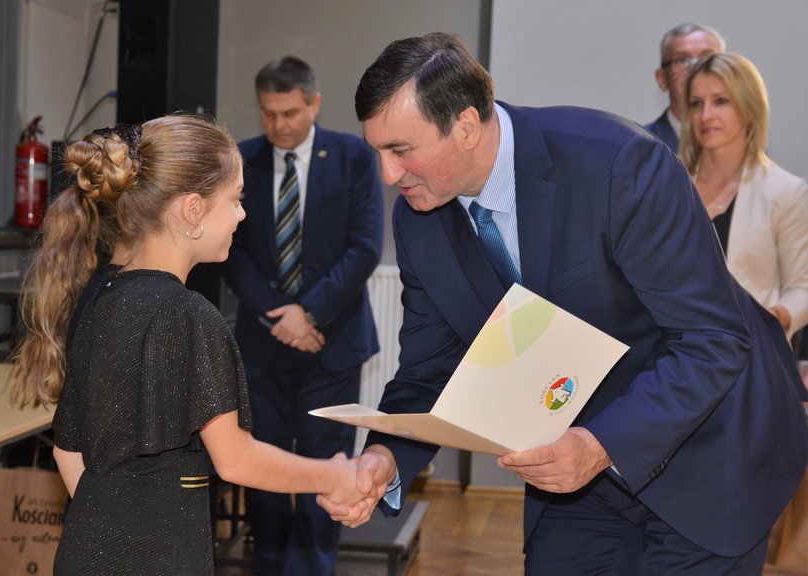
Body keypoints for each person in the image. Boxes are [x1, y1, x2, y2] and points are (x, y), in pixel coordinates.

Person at [318, 32, 808, 574]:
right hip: (578, 475)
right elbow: (429, 368)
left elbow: (712, 339)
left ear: (466, 126)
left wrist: (600, 444)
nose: (388, 176)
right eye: (378, 152)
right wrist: (384, 457)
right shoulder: (419, 220)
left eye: (401, 151)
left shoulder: (618, 164)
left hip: (710, 452)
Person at [9, 115, 367, 576]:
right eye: (236, 199)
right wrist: (333, 475)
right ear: (193, 210)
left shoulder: (97, 297)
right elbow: (236, 460)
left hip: (85, 552)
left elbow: (66, 451)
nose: (242, 214)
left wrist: (115, 536)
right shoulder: (189, 316)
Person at [220, 56, 384, 575]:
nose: (279, 125)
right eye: (268, 113)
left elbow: (364, 247)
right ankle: (268, 566)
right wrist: (280, 316)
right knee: (263, 472)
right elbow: (231, 251)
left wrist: (308, 313)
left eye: (290, 112)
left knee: (325, 470)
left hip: (331, 345)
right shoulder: (242, 160)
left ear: (314, 104)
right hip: (263, 348)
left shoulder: (354, 156)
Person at [680, 52, 808, 340]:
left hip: (751, 351)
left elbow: (802, 289)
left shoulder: (786, 191)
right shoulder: (670, 186)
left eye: (721, 101)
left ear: (750, 107)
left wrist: (773, 317)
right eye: (696, 103)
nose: (706, 115)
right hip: (678, 351)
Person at [644, 23, 725, 151]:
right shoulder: (642, 148)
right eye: (682, 60)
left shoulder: (746, 144)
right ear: (662, 79)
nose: (696, 68)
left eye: (708, 59)